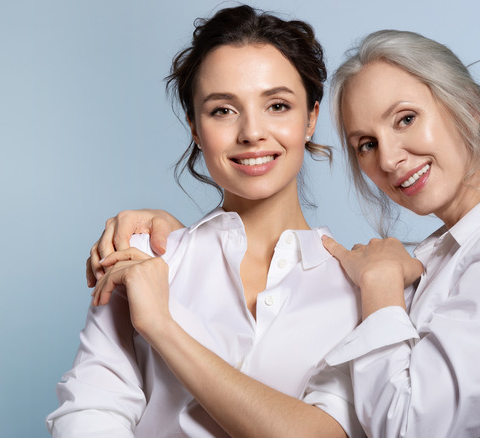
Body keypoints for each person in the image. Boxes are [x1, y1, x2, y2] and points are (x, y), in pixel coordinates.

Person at [91, 30, 480, 437]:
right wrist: (184, 247)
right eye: (365, 143)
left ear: (467, 104)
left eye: (406, 119)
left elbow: (405, 428)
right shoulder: (439, 255)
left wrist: (379, 287)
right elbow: (92, 408)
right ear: (194, 126)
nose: (388, 158)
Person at [47, 5, 364, 437]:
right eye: (222, 111)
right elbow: (89, 412)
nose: (252, 132)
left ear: (310, 118)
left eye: (276, 105)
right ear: (195, 127)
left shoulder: (363, 290)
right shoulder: (141, 258)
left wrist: (159, 324)